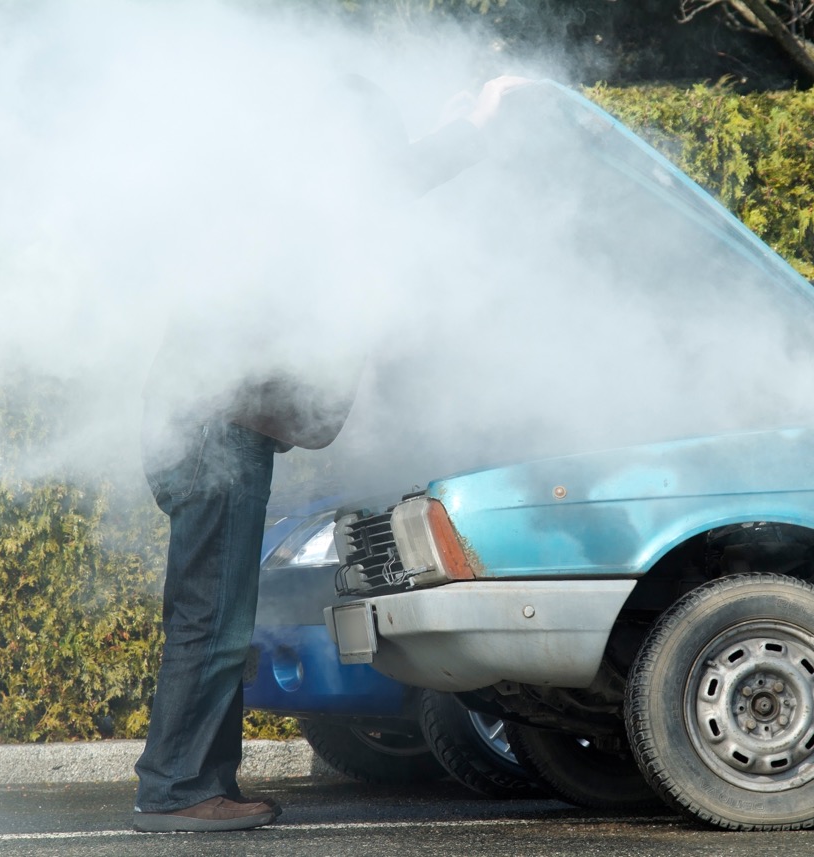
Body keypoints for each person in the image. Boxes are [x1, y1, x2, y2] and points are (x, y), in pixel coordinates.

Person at [131, 75, 529, 834]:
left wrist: (455, 124)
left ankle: (197, 780)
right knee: (210, 622)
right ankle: (177, 786)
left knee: (214, 618)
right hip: (213, 434)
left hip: (207, 429)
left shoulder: (282, 193)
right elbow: (384, 186)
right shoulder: (292, 199)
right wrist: (475, 129)